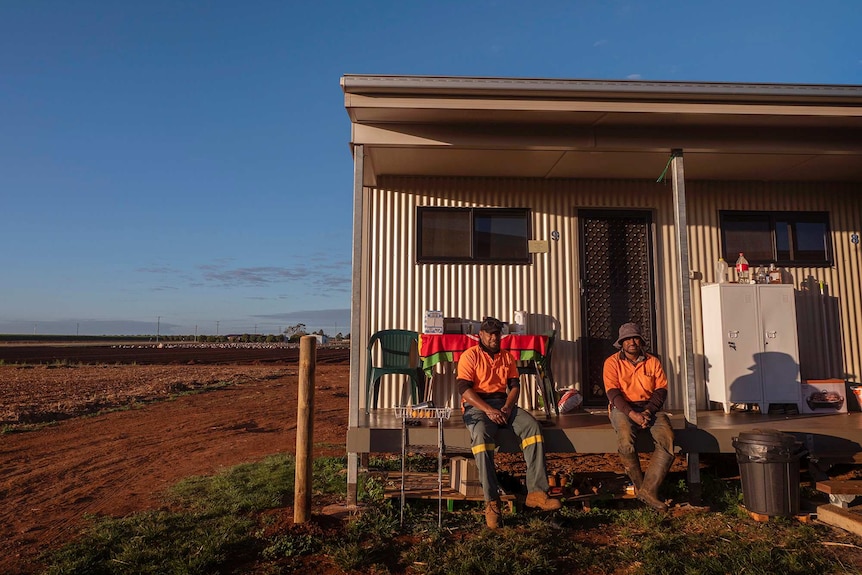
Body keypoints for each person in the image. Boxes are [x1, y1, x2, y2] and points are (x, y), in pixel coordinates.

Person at [457, 316, 561, 529]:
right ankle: (492, 502)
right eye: (490, 333)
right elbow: (464, 390)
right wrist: (489, 410)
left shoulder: (507, 357)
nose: (494, 337)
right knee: (480, 437)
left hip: (502, 404)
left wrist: (506, 408)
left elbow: (514, 386)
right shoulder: (470, 356)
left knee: (532, 427)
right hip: (477, 406)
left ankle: (537, 492)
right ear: (481, 335)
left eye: (497, 333)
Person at [603, 322, 675, 511]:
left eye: (635, 338)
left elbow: (661, 390)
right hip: (622, 409)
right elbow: (613, 393)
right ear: (621, 343)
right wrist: (632, 414)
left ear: (641, 341)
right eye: (626, 339)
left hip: (649, 408)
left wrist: (648, 411)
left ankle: (648, 491)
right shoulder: (611, 362)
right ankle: (640, 486)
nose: (631, 342)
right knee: (626, 439)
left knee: (667, 439)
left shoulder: (653, 361)